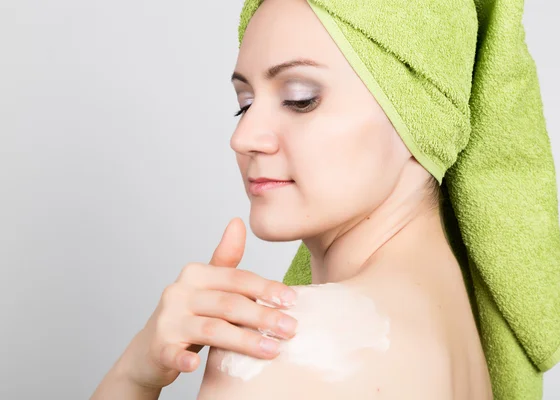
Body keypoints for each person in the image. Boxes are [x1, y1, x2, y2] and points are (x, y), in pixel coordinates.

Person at [92, 0, 495, 398]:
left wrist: (131, 379)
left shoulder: (284, 349)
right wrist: (139, 371)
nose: (243, 137)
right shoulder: (459, 328)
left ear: (420, 117)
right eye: (244, 105)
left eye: (300, 99)